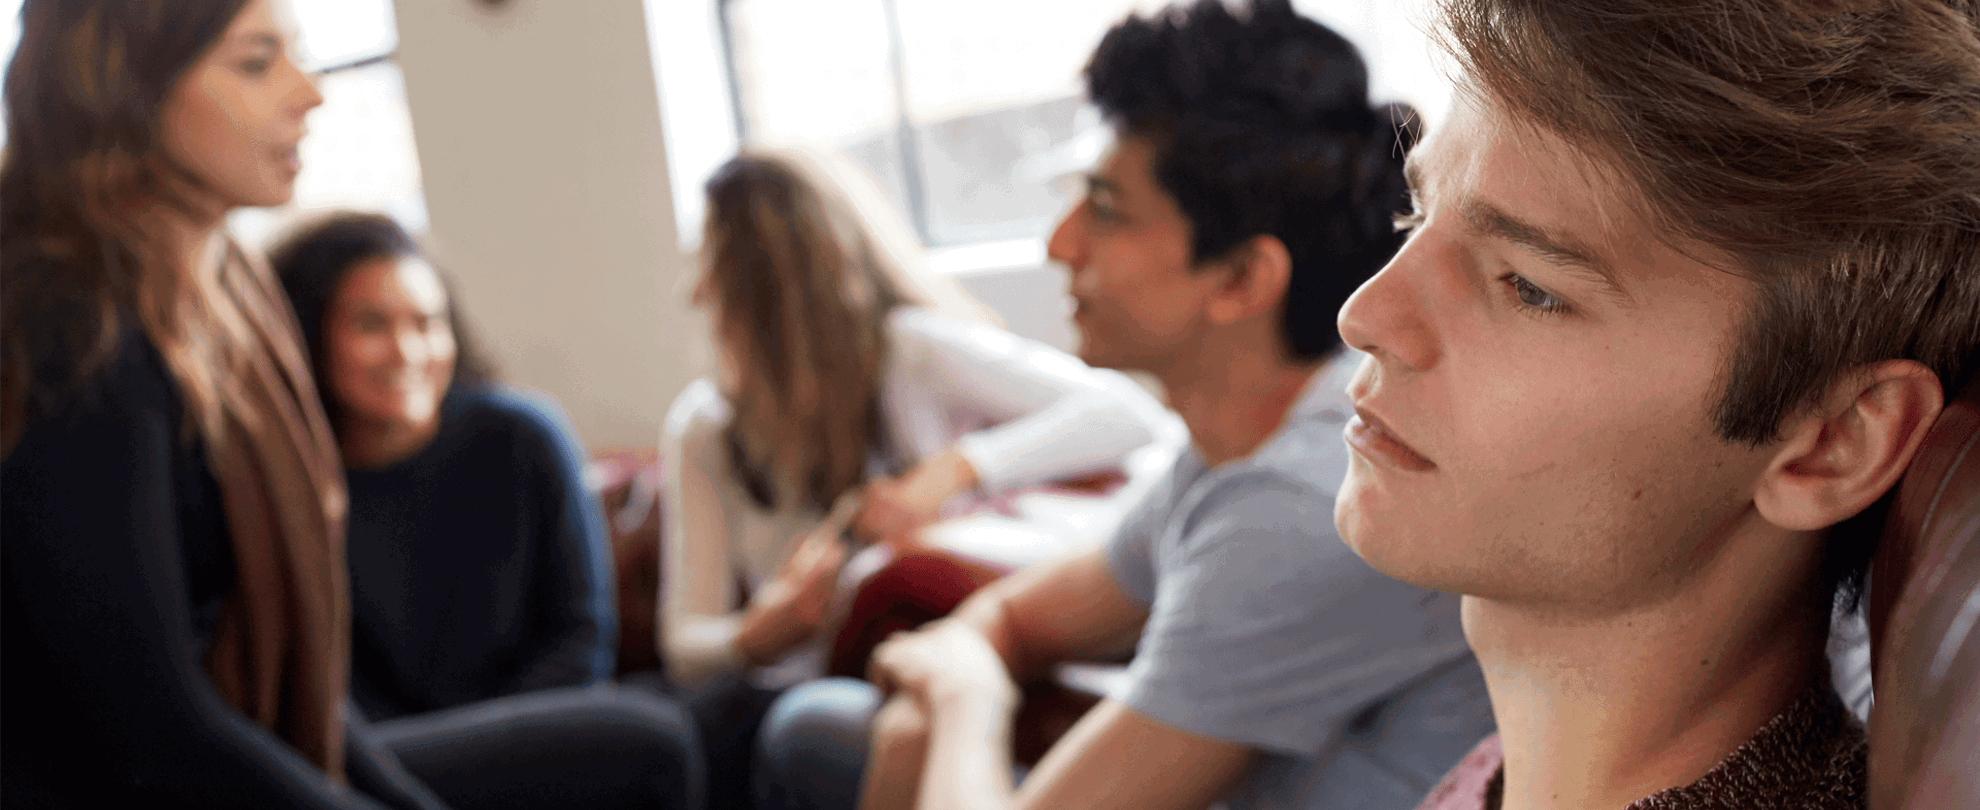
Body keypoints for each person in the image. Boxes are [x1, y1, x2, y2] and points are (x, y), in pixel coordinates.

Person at [754, 3, 1493, 809]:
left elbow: (980, 664)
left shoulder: (1300, 503)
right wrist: (936, 698)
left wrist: (966, 699)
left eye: (1106, 210)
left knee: (816, 732)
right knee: (820, 724)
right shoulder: (1231, 449)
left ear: (1242, 279)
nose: (1059, 243)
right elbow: (1014, 620)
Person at [0, 2, 700, 807]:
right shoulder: (65, 316)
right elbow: (153, 724)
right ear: (125, 85)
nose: (311, 92)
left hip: (224, 748)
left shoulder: (221, 293)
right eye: (257, 62)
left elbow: (316, 708)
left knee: (643, 745)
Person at [1328, 1, 1980, 809]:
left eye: (1530, 288)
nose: (1363, 317)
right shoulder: (1509, 775)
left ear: (1833, 444)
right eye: (1414, 214)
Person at [659, 148, 1180, 810]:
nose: (695, 295)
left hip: (923, 666)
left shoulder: (911, 353)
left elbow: (1131, 414)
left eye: (713, 269)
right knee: (741, 720)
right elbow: (686, 641)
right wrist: (756, 635)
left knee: (815, 728)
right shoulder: (706, 430)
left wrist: (953, 472)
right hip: (810, 681)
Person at [271, 211, 615, 722]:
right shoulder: (289, 486)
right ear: (305, 337)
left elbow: (583, 637)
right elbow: (331, 697)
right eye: (371, 325)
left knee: (656, 736)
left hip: (541, 731)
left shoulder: (526, 435)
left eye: (428, 323)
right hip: (397, 761)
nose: (408, 351)